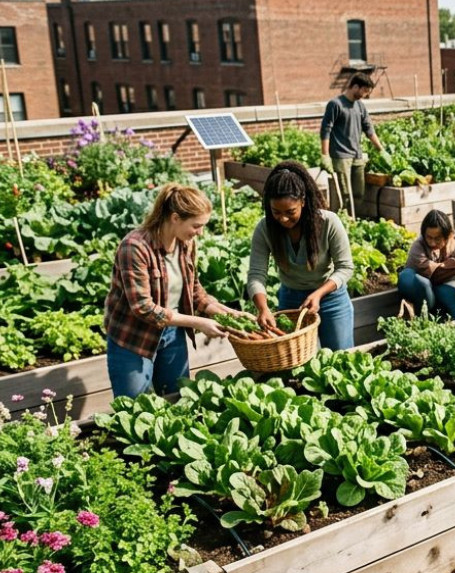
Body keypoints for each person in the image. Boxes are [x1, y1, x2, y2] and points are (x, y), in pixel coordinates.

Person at [105, 184, 250, 398]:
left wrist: (230, 315)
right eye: (196, 226)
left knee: (177, 399)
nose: (200, 232)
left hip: (172, 334)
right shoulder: (135, 247)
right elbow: (143, 308)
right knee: (133, 407)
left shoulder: (186, 243)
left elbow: (194, 292)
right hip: (134, 337)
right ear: (175, 218)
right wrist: (200, 322)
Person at [247, 161, 356, 351]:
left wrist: (319, 293)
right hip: (292, 301)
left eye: (290, 212)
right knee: (300, 362)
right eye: (276, 212)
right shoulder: (265, 229)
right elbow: (256, 274)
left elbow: (345, 268)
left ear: (303, 201)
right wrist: (262, 308)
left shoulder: (328, 222)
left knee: (341, 357)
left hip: (332, 299)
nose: (283, 218)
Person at [397, 209, 455, 319]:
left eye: (437, 239)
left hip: (438, 285)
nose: (432, 243)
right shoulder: (417, 248)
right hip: (416, 283)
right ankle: (420, 316)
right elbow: (436, 274)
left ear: (447, 236)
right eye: (429, 237)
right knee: (424, 284)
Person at [319, 72, 386, 213]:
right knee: (345, 194)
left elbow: (369, 129)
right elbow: (326, 130)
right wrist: (325, 155)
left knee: (359, 193)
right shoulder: (335, 104)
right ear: (355, 86)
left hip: (357, 155)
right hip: (341, 156)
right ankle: (345, 222)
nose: (365, 95)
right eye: (365, 91)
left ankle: (356, 221)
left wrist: (381, 150)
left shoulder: (360, 106)